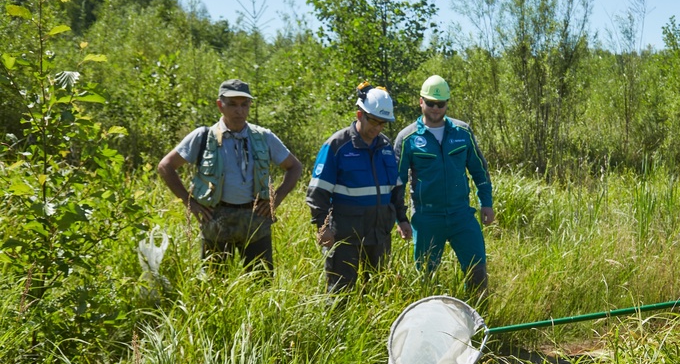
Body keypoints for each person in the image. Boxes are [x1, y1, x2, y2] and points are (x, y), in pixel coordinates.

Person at [157, 79, 303, 272]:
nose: (239, 111)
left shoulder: (263, 136)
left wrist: (275, 200)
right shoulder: (203, 137)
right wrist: (189, 202)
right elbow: (165, 166)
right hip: (216, 219)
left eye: (244, 104)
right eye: (232, 104)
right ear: (220, 105)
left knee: (261, 283)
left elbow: (295, 167)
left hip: (255, 219)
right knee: (213, 283)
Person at [307, 83, 412, 294]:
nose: (377, 127)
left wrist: (402, 219)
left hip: (379, 235)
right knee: (340, 295)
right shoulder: (337, 146)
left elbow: (395, 189)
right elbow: (317, 192)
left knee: (377, 292)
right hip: (345, 237)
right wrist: (322, 226)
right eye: (373, 121)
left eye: (382, 123)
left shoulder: (385, 147)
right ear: (359, 114)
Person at [394, 75, 494, 293]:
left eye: (441, 104)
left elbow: (479, 170)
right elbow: (397, 183)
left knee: (477, 271)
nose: (435, 109)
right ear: (420, 101)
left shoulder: (463, 132)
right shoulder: (407, 138)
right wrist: (400, 218)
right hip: (427, 218)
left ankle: (478, 320)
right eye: (430, 103)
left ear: (448, 103)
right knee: (426, 279)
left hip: (461, 215)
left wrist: (486, 202)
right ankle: (430, 323)